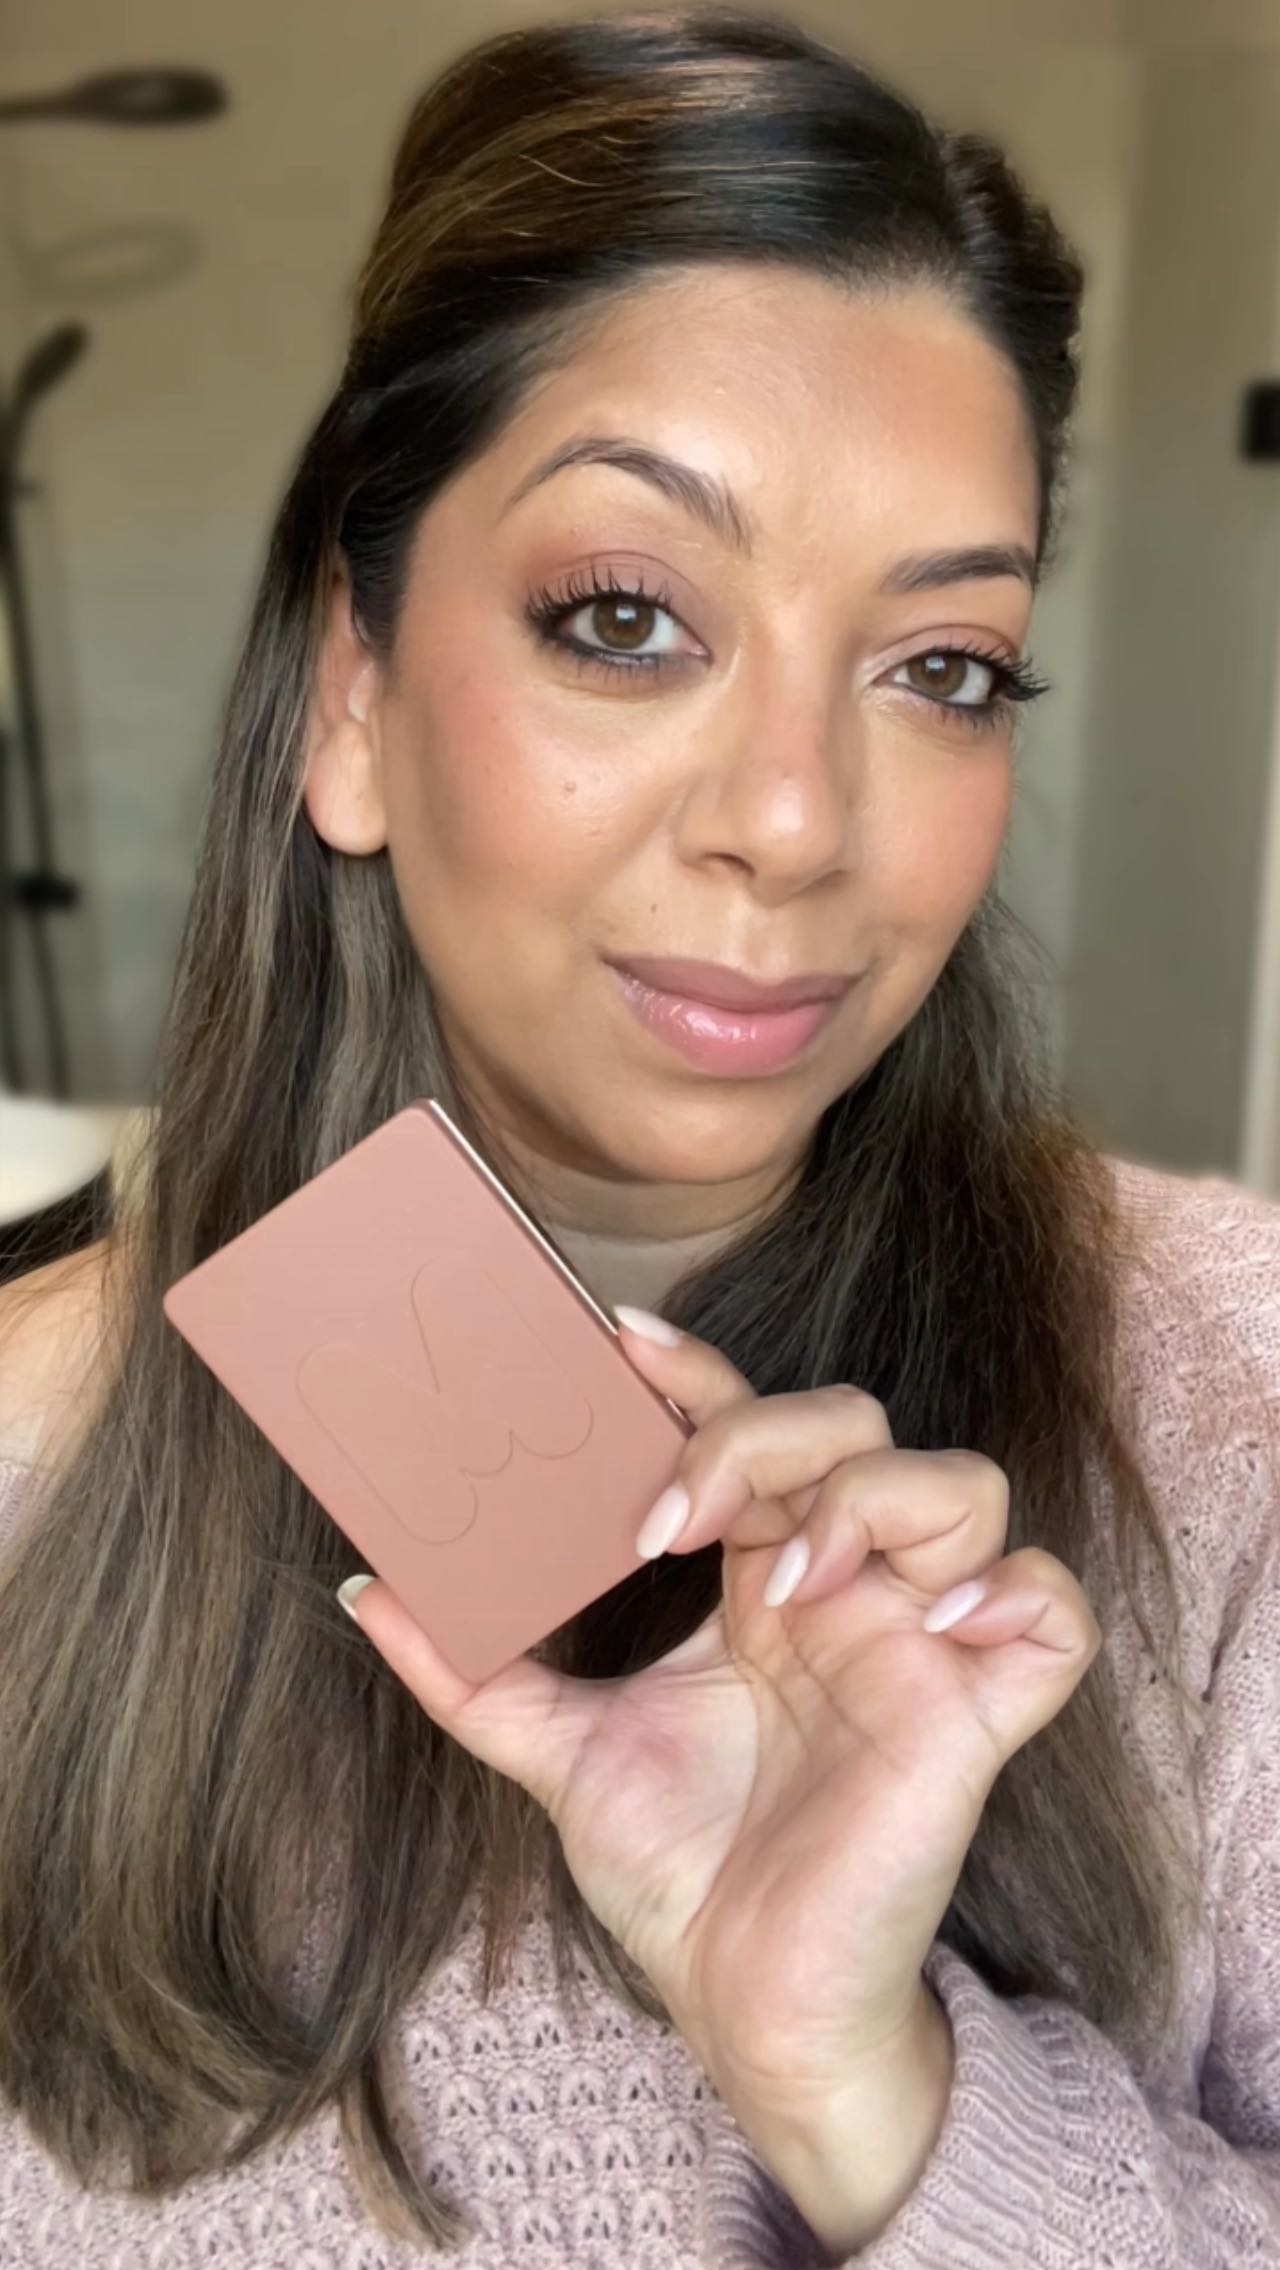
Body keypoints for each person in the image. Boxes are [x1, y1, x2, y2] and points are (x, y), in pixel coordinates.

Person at [1, 7, 1278, 2264]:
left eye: (943, 666)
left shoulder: (1241, 1407)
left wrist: (880, 2092)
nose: (797, 820)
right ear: (353, 698)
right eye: (625, 619)